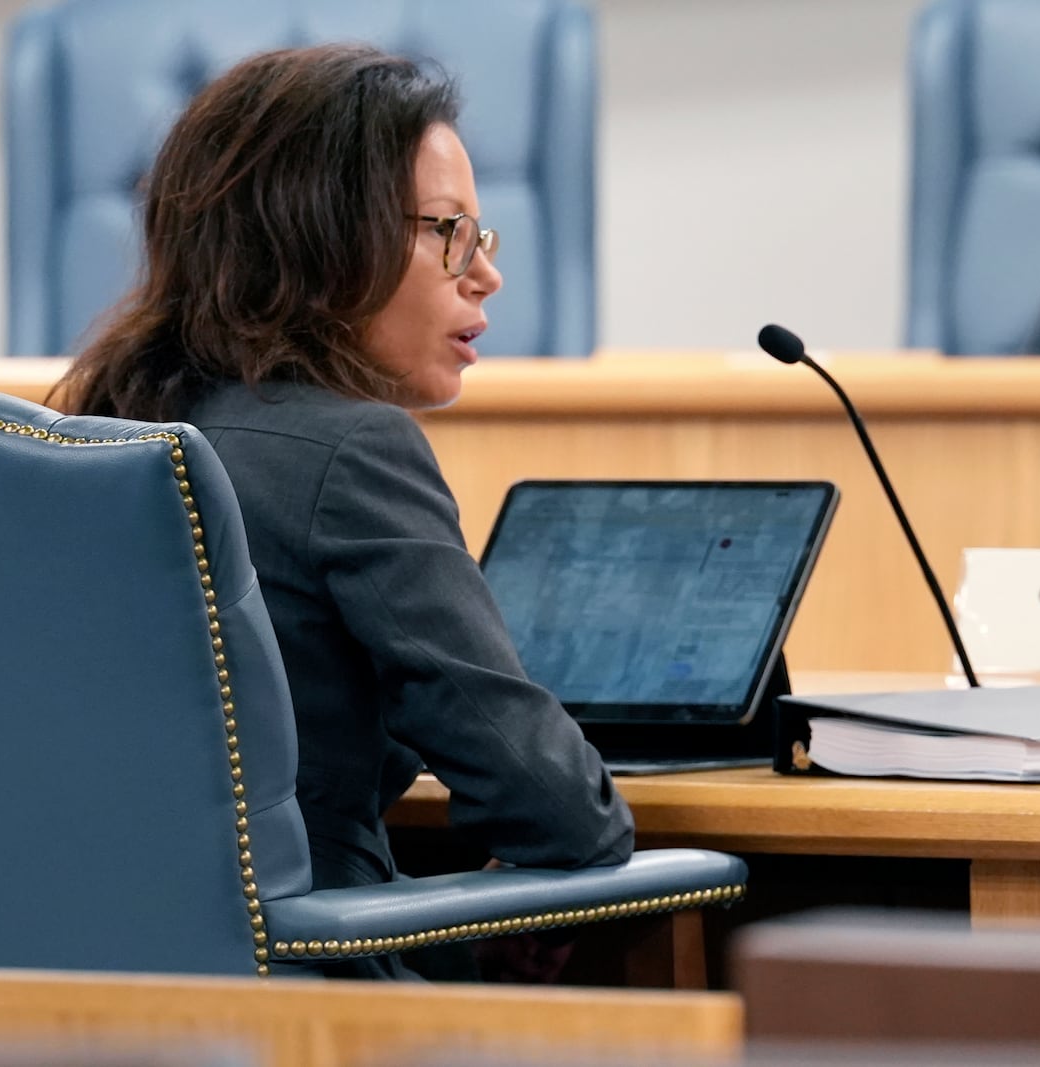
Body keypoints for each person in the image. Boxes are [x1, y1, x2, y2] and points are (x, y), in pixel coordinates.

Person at [51, 44, 634, 980]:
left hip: (86, 993)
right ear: (320, 236)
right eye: (449, 231)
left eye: (483, 238)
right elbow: (559, 811)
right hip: (316, 1004)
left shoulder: (92, 431)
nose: (484, 276)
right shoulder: (353, 451)